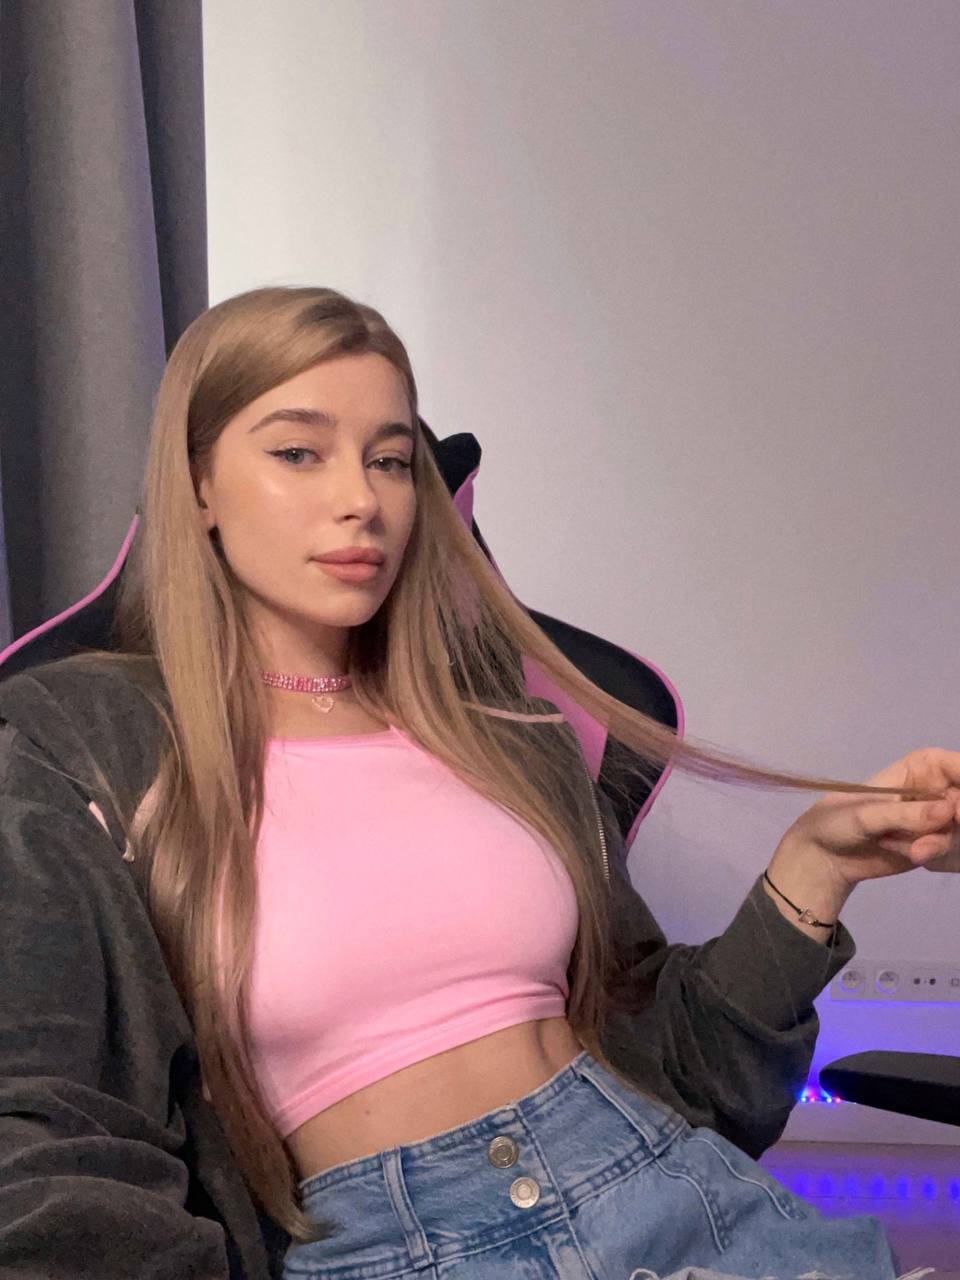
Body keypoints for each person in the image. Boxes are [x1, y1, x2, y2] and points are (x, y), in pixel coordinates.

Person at [0, 285, 956, 1280]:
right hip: (400, 1247)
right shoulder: (85, 745)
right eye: (298, 452)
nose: (361, 500)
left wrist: (816, 863)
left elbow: (689, 1077)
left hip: (689, 1201)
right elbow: (40, 1136)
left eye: (388, 460)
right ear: (198, 483)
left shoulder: (502, 734)